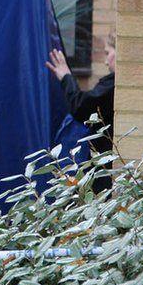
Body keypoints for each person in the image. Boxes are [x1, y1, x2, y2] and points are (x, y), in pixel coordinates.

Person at [45, 36, 115, 192]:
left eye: (108, 52)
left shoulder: (113, 85)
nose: (105, 61)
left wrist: (65, 77)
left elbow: (82, 107)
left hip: (104, 167)